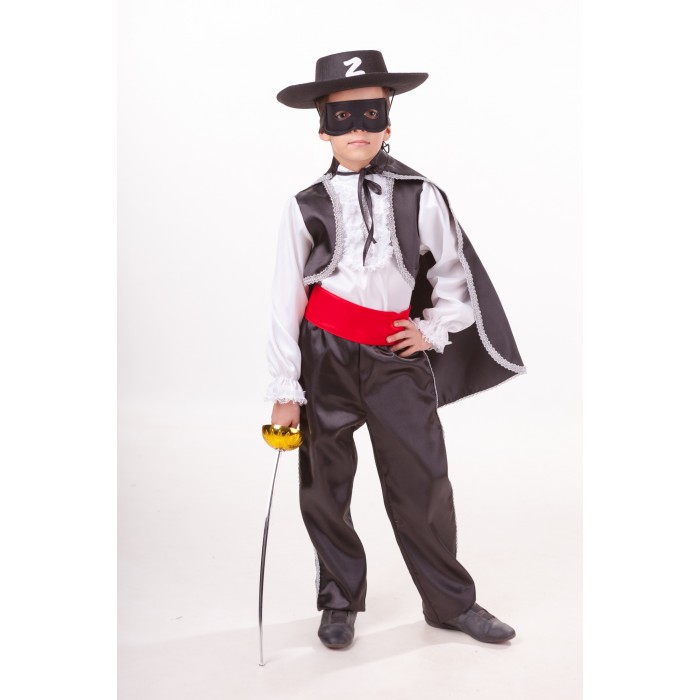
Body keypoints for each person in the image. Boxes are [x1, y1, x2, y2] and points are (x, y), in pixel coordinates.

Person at [265, 50, 526, 650]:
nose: (357, 127)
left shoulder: (419, 194)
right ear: (322, 128)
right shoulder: (304, 205)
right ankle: (338, 602)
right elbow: (285, 298)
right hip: (324, 355)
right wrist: (285, 387)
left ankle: (450, 603)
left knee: (423, 478)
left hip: (394, 357)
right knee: (325, 484)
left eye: (370, 113)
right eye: (342, 116)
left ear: (388, 121)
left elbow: (454, 274)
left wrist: (432, 329)